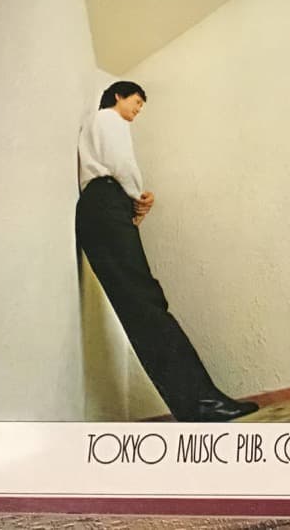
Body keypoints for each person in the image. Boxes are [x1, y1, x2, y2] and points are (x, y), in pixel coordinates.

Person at [76, 80, 258, 422]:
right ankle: (201, 402)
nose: (137, 110)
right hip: (106, 202)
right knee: (147, 303)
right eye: (136, 102)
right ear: (118, 95)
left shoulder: (95, 126)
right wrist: (138, 196)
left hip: (100, 209)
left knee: (140, 306)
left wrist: (131, 205)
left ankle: (195, 404)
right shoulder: (109, 118)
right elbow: (120, 163)